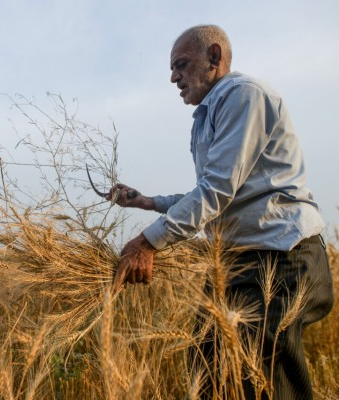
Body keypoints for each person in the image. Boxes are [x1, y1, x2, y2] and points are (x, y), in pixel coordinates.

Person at [108, 25, 334, 399]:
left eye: (180, 65)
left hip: (280, 259)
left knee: (262, 382)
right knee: (210, 365)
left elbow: (217, 190)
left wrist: (147, 242)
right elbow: (217, 189)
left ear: (214, 57)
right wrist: (149, 202)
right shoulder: (209, 114)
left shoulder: (242, 95)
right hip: (241, 261)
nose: (173, 77)